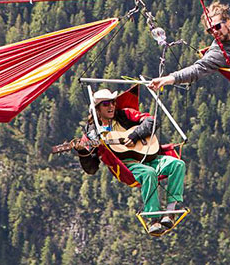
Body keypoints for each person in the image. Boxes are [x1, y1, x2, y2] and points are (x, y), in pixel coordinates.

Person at [74, 89, 186, 235]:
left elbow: (152, 121)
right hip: (127, 166)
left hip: (148, 156)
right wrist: (83, 152)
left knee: (178, 164)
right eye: (106, 104)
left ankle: (170, 211)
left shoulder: (124, 114)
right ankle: (154, 219)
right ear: (97, 109)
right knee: (149, 173)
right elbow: (91, 169)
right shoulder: (92, 134)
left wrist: (135, 135)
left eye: (113, 102)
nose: (111, 106)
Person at [148, 0, 230, 90]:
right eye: (210, 30)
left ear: (228, 21)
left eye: (217, 26)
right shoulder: (218, 53)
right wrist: (169, 79)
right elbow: (196, 70)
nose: (214, 32)